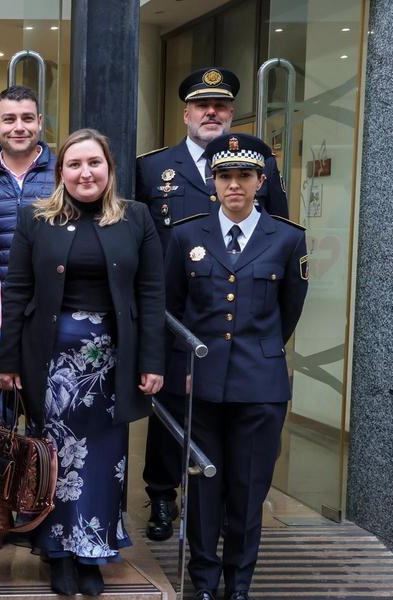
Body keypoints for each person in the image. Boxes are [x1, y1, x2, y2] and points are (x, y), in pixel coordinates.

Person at [0, 128, 165, 598]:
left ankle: (92, 549)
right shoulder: (36, 218)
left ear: (109, 169)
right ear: (60, 173)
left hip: (112, 362)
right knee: (53, 456)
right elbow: (18, 291)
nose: (84, 172)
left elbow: (152, 294)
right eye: (74, 164)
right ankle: (56, 551)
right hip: (49, 361)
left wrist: (153, 360)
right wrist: (7, 360)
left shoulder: (136, 218)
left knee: (103, 459)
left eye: (94, 163)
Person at [134, 66, 289, 542]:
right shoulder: (152, 168)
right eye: (202, 106)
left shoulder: (260, 167)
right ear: (186, 113)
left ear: (231, 114)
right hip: (172, 309)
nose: (211, 113)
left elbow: (278, 236)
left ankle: (216, 508)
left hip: (236, 313)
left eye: (220, 106)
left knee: (221, 420)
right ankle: (162, 494)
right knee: (170, 406)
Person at [167, 133, 308, 600]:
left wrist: (261, 352)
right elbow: (175, 307)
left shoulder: (288, 238)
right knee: (205, 488)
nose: (234, 185)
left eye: (244, 176)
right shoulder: (186, 236)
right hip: (202, 384)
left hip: (261, 385)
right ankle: (203, 584)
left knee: (248, 492)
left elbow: (288, 309)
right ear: (213, 182)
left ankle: (239, 588)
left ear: (259, 183)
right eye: (225, 176)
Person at [0, 85, 55, 554]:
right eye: (9, 119)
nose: (18, 126)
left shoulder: (61, 174)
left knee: (47, 415)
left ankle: (45, 513)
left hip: (50, 315)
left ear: (39, 121)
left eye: (27, 118)